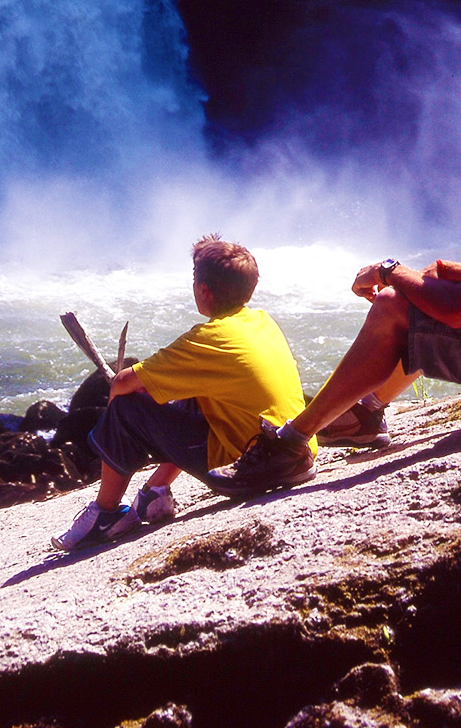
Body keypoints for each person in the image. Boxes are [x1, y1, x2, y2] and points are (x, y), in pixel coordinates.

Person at [208, 81, 461, 495]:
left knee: (395, 304)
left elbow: (460, 311)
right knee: (432, 286)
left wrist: (390, 270)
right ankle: (368, 411)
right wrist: (444, 271)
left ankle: (292, 446)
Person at [49, 235, 305, 551]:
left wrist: (124, 432)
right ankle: (155, 492)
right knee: (194, 392)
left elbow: (121, 384)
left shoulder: (208, 338)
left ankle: (107, 513)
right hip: (298, 454)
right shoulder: (263, 321)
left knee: (127, 406)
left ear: (203, 291)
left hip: (252, 467)